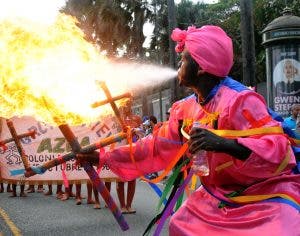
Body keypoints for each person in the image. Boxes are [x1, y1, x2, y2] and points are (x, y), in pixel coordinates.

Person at [78, 25, 300, 235]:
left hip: (265, 194)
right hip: (216, 195)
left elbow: (279, 150)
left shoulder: (241, 101)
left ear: (202, 67)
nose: (178, 67)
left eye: (183, 60)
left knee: (285, 229)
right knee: (181, 224)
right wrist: (103, 158)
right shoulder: (184, 109)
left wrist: (223, 144)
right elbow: (154, 147)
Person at [116, 99, 142, 214]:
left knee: (132, 179)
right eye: (125, 104)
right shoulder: (117, 120)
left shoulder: (136, 118)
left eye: (129, 103)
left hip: (133, 153)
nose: (126, 106)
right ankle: (122, 205)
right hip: (120, 153)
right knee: (120, 179)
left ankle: (129, 205)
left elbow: (142, 134)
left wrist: (136, 131)